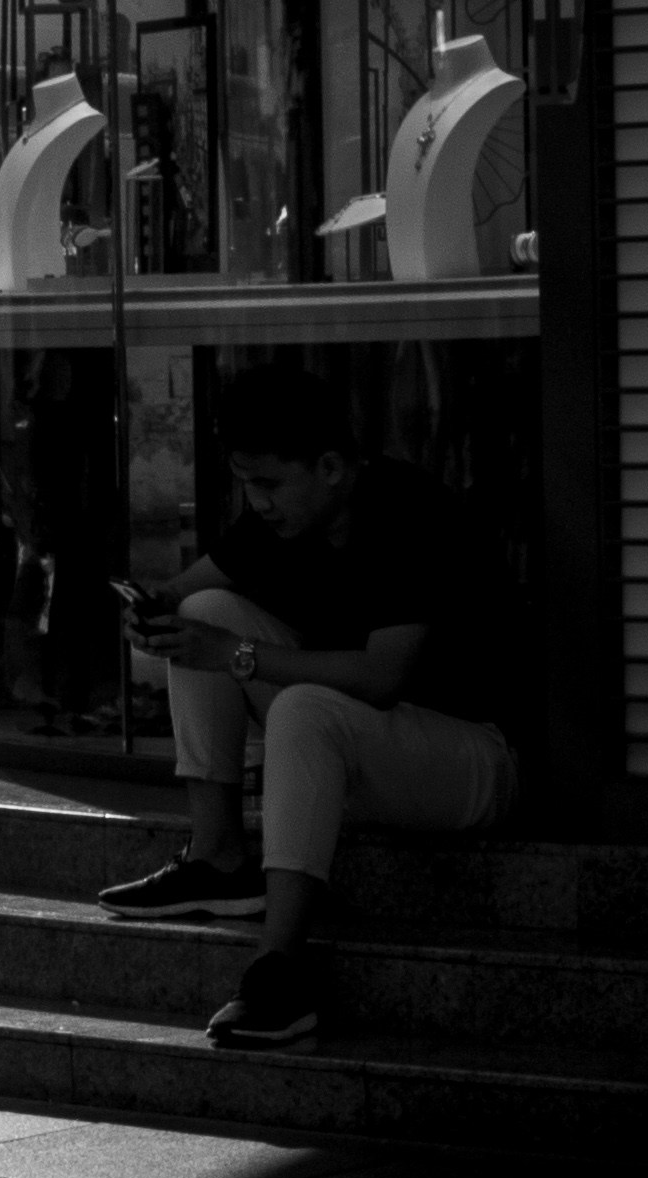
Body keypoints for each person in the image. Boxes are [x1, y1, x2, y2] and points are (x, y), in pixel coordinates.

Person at [97, 379, 518, 1047]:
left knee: (297, 702)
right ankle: (218, 856)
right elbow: (190, 589)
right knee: (202, 615)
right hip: (369, 739)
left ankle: (280, 969)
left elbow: (383, 678)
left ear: (330, 467)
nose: (256, 501)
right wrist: (153, 609)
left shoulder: (408, 514)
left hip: (475, 757)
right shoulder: (290, 511)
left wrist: (238, 656)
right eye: (244, 483)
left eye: (267, 483)